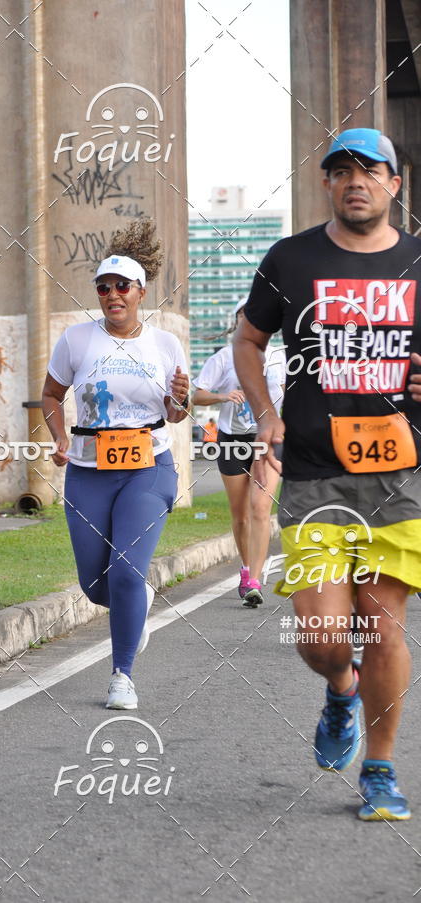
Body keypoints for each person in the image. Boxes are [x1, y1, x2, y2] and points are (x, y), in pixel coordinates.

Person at [233, 128, 421, 821]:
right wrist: (264, 411)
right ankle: (340, 688)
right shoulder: (291, 259)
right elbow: (248, 338)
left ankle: (380, 770)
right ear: (327, 184)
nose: (355, 181)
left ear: (395, 183)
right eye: (341, 171)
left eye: (370, 170)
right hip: (314, 473)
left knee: (385, 629)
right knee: (322, 638)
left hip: (400, 474)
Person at [42, 219, 190, 710]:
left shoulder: (164, 345)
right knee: (95, 584)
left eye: (122, 286)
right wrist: (58, 437)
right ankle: (136, 604)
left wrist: (181, 401)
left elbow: (175, 413)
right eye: (103, 287)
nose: (112, 295)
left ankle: (121, 676)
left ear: (141, 291)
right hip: (87, 472)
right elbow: (51, 394)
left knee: (126, 570)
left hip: (148, 468)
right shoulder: (76, 340)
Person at [192, 299, 285, 607]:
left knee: (260, 508)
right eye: (246, 314)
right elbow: (197, 396)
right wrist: (222, 396)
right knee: (241, 515)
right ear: (238, 320)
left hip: (267, 440)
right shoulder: (224, 357)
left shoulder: (280, 357)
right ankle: (246, 569)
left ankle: (255, 580)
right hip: (232, 440)